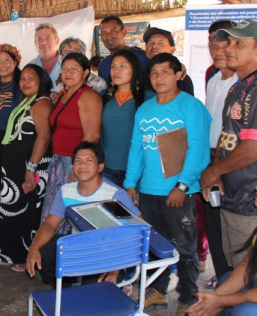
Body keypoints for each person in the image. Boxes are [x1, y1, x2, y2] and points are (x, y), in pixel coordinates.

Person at [124, 53, 211, 314]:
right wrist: (130, 183)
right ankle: (159, 291)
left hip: (178, 193)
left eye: (165, 71)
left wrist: (182, 186)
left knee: (184, 247)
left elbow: (198, 149)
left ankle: (188, 295)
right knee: (154, 246)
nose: (159, 77)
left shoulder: (190, 106)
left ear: (178, 74)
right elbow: (136, 148)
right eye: (154, 72)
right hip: (148, 191)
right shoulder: (145, 109)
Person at [200, 19, 257, 274]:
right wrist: (218, 169)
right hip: (233, 192)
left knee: (247, 271)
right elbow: (227, 135)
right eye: (229, 42)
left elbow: (252, 148)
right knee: (231, 265)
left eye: (239, 43)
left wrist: (215, 171)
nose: (229, 48)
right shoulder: (241, 85)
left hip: (253, 197)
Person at [27, 142, 141, 286]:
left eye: (89, 160)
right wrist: (34, 247)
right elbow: (49, 224)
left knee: (95, 293)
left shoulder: (114, 195)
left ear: (100, 167)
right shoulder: (66, 191)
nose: (82, 165)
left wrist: (116, 266)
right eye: (78, 160)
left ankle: (121, 280)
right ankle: (64, 287)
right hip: (78, 246)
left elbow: (139, 231)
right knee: (44, 252)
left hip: (107, 254)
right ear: (73, 166)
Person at [188, 156, 257, 316]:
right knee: (225, 282)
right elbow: (251, 264)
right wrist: (215, 297)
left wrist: (221, 301)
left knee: (245, 311)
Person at [0, 64, 53, 272]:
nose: (25, 82)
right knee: (12, 208)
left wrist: (31, 167)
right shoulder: (27, 101)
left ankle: (25, 255)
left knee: (28, 209)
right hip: (15, 167)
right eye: (23, 79)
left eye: (31, 78)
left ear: (42, 81)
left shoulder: (42, 103)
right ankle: (10, 251)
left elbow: (44, 138)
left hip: (30, 166)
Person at [41, 53, 102, 232]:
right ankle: (52, 255)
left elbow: (92, 137)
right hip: (58, 162)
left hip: (75, 163)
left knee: (71, 216)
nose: (68, 72)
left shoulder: (88, 96)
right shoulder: (64, 94)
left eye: (74, 69)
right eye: (65, 68)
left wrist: (78, 168)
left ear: (85, 73)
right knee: (54, 214)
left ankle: (68, 255)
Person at [201, 20, 238, 287]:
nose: (218, 49)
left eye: (224, 44)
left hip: (232, 160)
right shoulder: (213, 79)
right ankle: (222, 274)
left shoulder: (243, 82)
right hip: (210, 156)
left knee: (232, 223)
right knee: (213, 221)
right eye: (213, 43)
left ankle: (234, 279)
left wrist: (219, 167)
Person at [100, 49, 154, 187]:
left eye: (123, 66)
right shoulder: (103, 97)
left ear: (134, 69)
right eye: (113, 66)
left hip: (137, 169)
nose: (116, 71)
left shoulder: (149, 98)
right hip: (106, 168)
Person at [0, 44, 22, 187]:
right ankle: (0, 207)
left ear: (15, 62)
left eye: (6, 59)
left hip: (18, 138)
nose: (2, 64)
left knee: (16, 177)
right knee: (0, 177)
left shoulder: (22, 86)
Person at [96, 16, 150, 83]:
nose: (108, 37)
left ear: (124, 32)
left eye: (113, 31)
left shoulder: (143, 57)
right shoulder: (103, 65)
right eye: (104, 33)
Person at [143, 27, 194, 95]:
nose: (154, 46)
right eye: (150, 43)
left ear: (172, 50)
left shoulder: (181, 77)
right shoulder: (139, 75)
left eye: (161, 43)